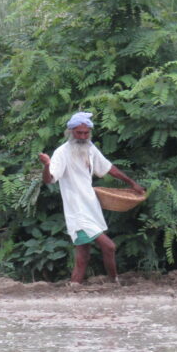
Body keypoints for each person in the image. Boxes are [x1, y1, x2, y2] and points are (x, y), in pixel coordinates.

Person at [38, 112, 145, 285]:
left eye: (86, 133)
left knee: (83, 255)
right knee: (109, 246)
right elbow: (49, 179)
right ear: (71, 132)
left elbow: (108, 167)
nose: (82, 136)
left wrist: (132, 183)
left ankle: (74, 287)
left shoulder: (90, 148)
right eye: (79, 133)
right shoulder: (62, 153)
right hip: (77, 211)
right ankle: (114, 282)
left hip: (90, 206)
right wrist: (47, 165)